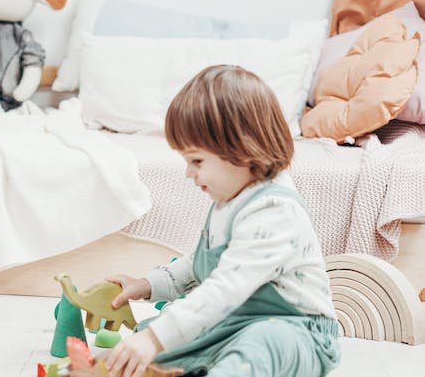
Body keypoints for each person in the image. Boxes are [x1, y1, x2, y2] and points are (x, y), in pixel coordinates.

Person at [103, 65, 340, 377]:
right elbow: (200, 264)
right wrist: (148, 286)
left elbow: (225, 287)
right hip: (239, 319)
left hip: (298, 332)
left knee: (260, 342)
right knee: (158, 336)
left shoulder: (275, 211)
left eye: (197, 160)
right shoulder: (229, 199)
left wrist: (154, 340)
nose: (189, 172)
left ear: (244, 150)